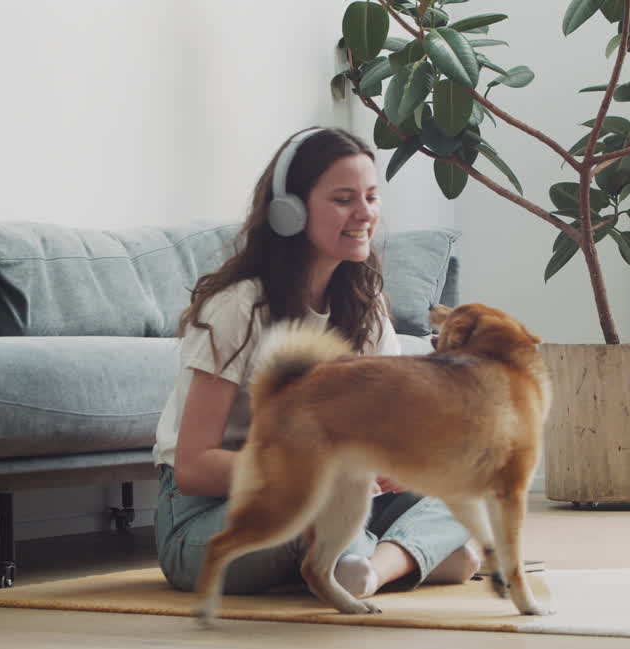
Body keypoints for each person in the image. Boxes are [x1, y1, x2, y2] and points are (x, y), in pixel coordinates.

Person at [152, 126, 480, 599]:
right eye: (344, 199)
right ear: (290, 211)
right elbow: (193, 467)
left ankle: (369, 570)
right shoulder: (237, 307)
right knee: (344, 512)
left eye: (371, 196)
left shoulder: (365, 309)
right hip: (206, 518)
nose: (365, 213)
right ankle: (395, 556)